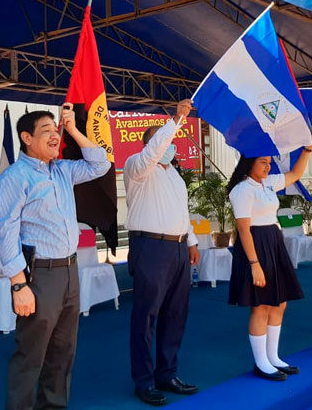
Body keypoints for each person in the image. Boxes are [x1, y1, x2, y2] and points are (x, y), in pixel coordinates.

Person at [0, 104, 110, 409]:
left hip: (70, 271)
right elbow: (5, 233)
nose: (54, 136)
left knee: (63, 351)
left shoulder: (63, 170)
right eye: (47, 131)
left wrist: (72, 130)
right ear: (26, 137)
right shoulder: (14, 179)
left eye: (56, 130)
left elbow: (100, 165)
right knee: (31, 354)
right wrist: (19, 285)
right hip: (39, 276)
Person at [123, 99, 201, 405]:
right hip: (150, 247)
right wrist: (175, 120)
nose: (172, 146)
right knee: (146, 315)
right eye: (167, 141)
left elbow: (182, 211)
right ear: (153, 143)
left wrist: (191, 242)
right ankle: (143, 380)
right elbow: (152, 153)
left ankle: (167, 373)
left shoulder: (174, 175)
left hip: (178, 248)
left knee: (175, 313)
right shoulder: (136, 166)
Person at [227, 130, 312, 380]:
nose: (268, 166)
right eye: (263, 162)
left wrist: (308, 149)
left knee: (279, 302)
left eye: (269, 162)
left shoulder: (267, 183)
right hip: (256, 246)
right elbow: (244, 229)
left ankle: (273, 357)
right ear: (249, 164)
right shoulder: (243, 190)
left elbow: (296, 174)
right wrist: (254, 264)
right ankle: (261, 362)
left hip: (274, 242)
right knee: (261, 305)